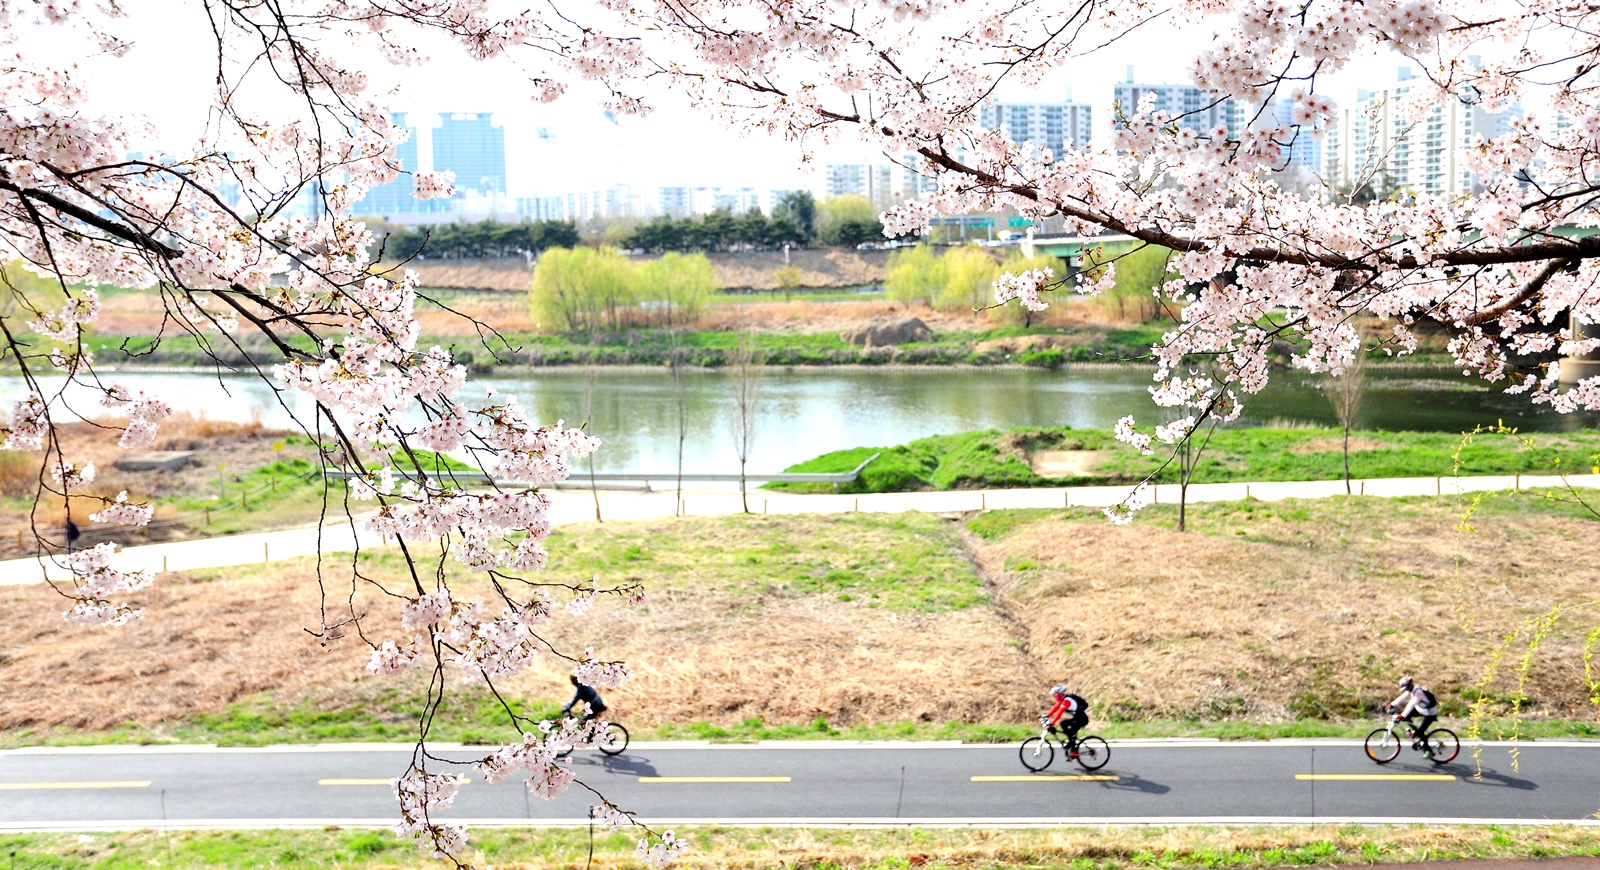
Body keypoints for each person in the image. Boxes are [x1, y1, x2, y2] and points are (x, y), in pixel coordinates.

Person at [1388, 675, 1440, 755]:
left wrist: (1402, 715)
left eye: (1407, 688)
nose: (1407, 690)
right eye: (1405, 689)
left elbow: (1411, 704)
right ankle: (1416, 732)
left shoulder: (1418, 692)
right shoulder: (1410, 690)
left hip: (1429, 713)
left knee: (1420, 732)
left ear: (1410, 684)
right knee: (1406, 718)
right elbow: (1402, 698)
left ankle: (1428, 751)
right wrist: (1391, 705)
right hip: (1421, 709)